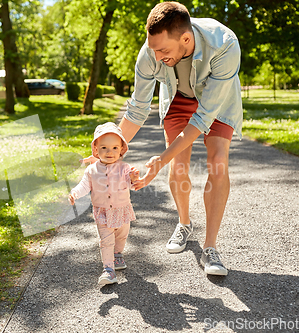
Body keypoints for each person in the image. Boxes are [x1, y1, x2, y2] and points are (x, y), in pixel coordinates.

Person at [85, 2, 243, 276]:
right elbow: (137, 108)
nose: (156, 57)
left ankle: (210, 247)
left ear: (186, 38)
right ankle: (184, 223)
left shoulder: (225, 44)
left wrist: (158, 161)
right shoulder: (149, 53)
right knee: (179, 165)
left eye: (163, 51)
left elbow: (203, 118)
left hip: (216, 103)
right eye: (153, 49)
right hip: (178, 99)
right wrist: (109, 151)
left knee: (218, 162)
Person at [69, 122, 140, 285]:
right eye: (104, 148)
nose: (110, 152)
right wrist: (75, 193)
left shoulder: (124, 168)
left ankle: (117, 255)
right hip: (102, 212)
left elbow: (131, 184)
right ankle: (108, 270)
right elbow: (84, 186)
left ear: (122, 149)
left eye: (115, 148)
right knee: (106, 240)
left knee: (121, 236)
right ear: (96, 150)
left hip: (122, 210)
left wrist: (134, 178)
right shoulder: (91, 170)